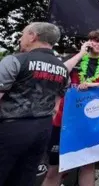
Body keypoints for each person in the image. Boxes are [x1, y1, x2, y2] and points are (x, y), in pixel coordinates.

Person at [43, 30, 99, 186]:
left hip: (92, 119)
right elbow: (61, 71)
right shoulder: (75, 59)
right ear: (88, 42)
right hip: (65, 119)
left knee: (88, 165)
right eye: (96, 40)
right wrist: (80, 53)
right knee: (54, 168)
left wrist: (95, 84)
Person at [0, 22, 69, 186]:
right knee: (25, 177)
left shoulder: (15, 60)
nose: (20, 39)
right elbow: (57, 104)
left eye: (23, 34)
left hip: (10, 128)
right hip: (43, 129)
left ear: (32, 36)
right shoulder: (63, 69)